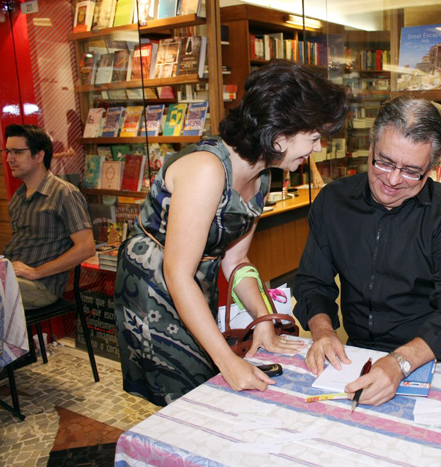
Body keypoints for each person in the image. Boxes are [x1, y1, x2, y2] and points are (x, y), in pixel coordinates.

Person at [113, 61, 348, 406]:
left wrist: (263, 318)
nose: (317, 149)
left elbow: (236, 259)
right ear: (280, 135)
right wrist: (228, 362)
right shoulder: (207, 171)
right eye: (313, 138)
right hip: (154, 290)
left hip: (192, 284)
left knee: (209, 382)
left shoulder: (263, 175)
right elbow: (177, 274)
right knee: (189, 395)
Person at [293, 95, 441, 408]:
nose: (392, 180)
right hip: (359, 357)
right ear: (370, 146)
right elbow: (313, 281)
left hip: (432, 359)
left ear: (431, 167)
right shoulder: (334, 202)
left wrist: (399, 363)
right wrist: (323, 331)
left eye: (411, 171)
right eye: (384, 162)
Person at [2, 124, 94, 309]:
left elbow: (86, 248)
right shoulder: (18, 197)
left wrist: (36, 272)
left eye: (17, 152)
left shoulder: (64, 193)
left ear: (39, 155)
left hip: (41, 287)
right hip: (12, 278)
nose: (9, 159)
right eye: (8, 151)